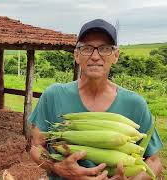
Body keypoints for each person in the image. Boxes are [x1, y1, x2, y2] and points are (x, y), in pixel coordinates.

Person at [28, 19, 163, 180]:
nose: (95, 56)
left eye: (105, 49)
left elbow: (154, 162)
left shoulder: (135, 104)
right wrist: (57, 167)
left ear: (116, 55)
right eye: (87, 48)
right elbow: (36, 147)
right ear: (76, 55)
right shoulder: (53, 96)